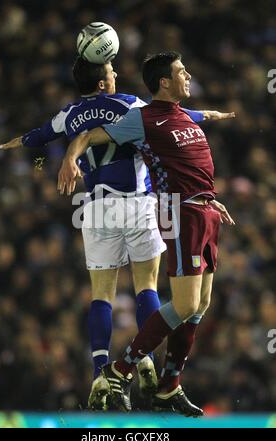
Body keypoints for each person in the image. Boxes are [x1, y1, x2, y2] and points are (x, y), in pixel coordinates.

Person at [57, 51, 235, 414]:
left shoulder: (184, 115)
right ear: (164, 82)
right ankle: (121, 370)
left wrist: (208, 198)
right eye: (182, 72)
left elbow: (193, 158)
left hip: (204, 209)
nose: (189, 76)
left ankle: (169, 385)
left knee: (200, 304)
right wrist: (69, 158)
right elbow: (92, 135)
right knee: (182, 302)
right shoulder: (142, 117)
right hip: (178, 210)